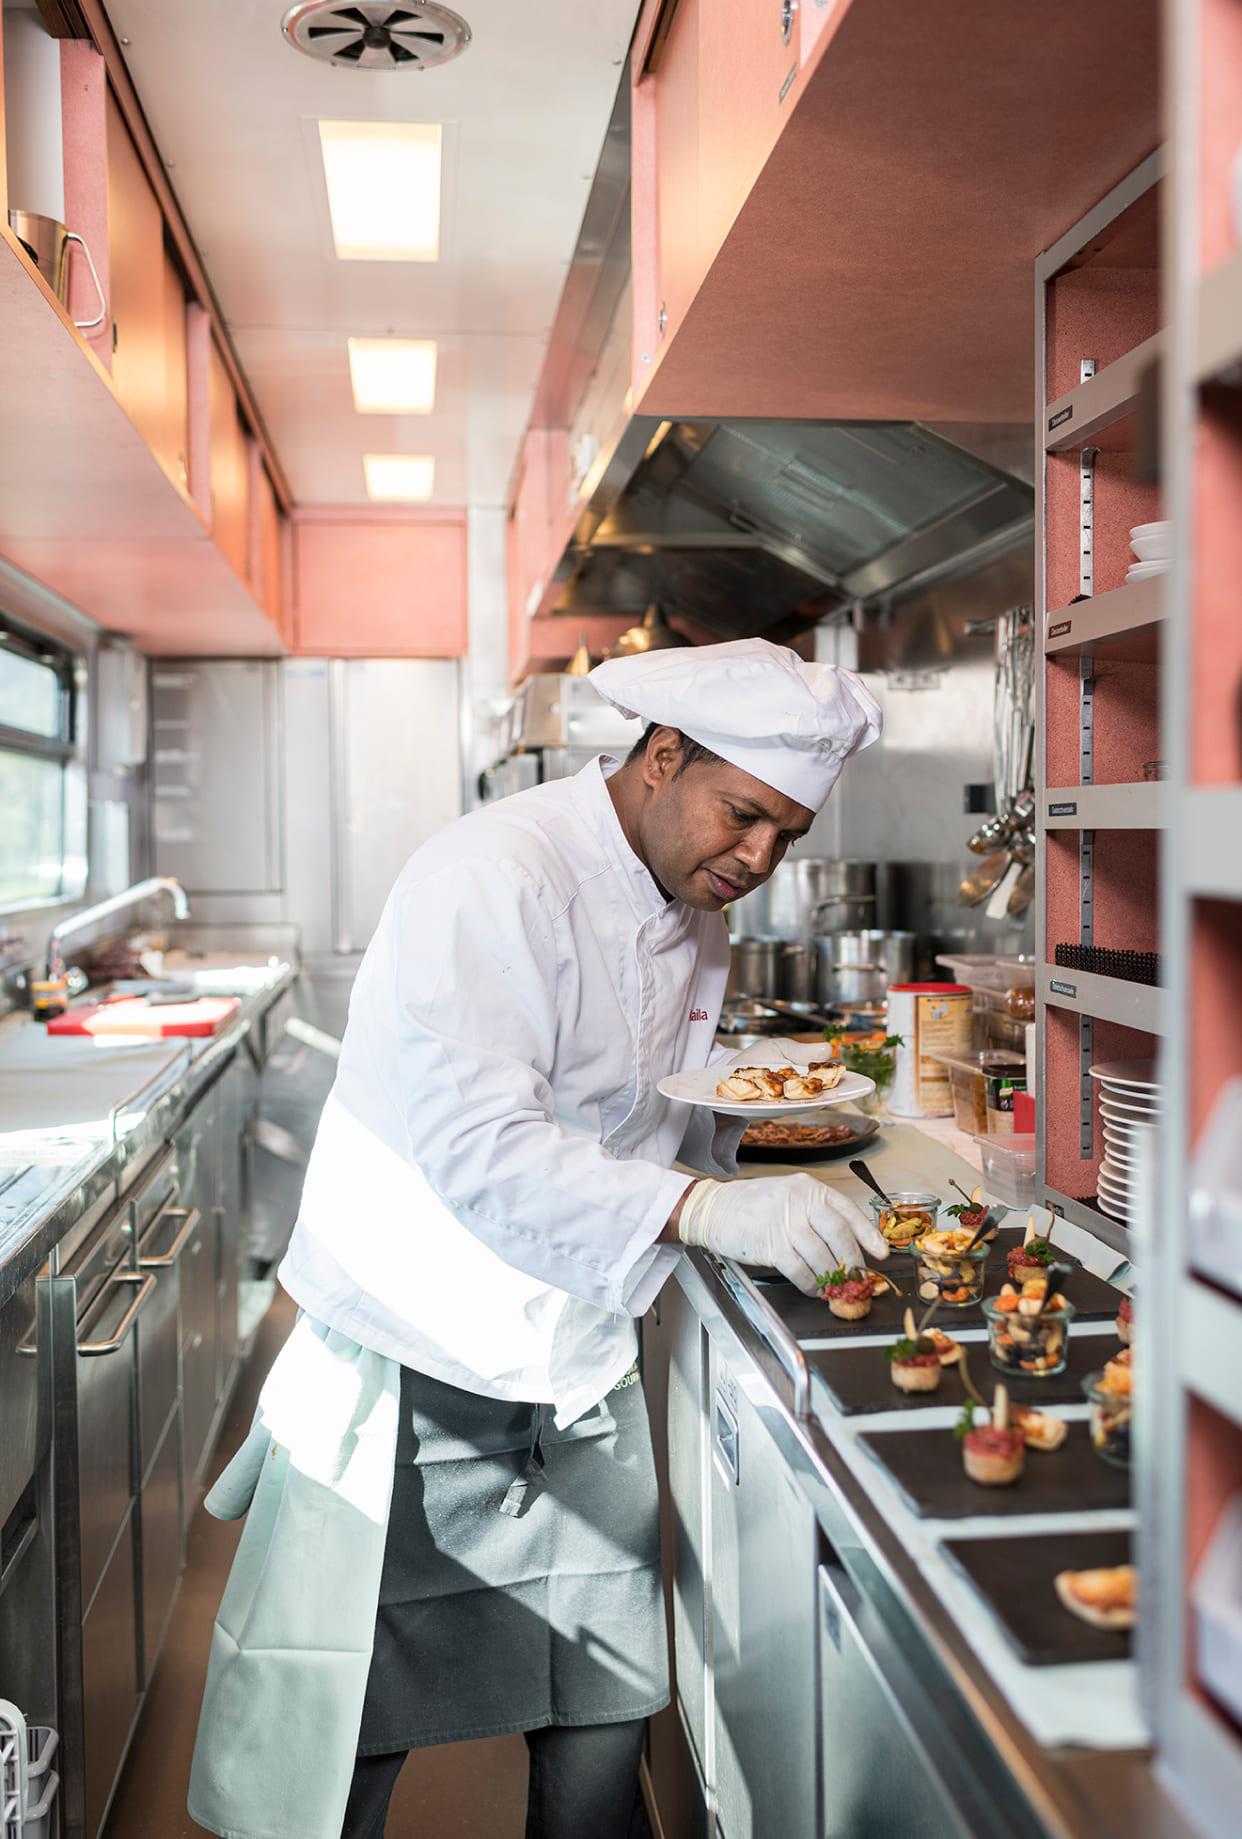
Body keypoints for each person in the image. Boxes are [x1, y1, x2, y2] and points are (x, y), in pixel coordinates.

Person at [188, 637, 885, 1839]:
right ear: (661, 758)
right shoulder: (495, 874)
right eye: (742, 815)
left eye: (788, 835)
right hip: (419, 1348)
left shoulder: (693, 906)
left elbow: (652, 1101)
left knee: (605, 1711)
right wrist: (702, 1207)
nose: (758, 859)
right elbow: (477, 1143)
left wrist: (738, 1163)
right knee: (345, 1727)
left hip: (575, 1355)